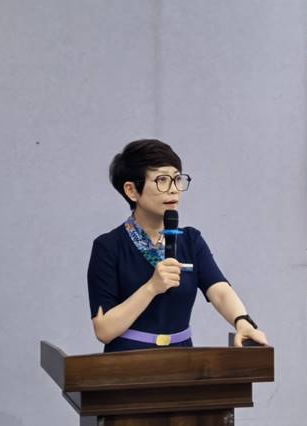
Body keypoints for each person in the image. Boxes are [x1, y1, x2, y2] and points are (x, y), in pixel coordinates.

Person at [87, 139, 268, 352]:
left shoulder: (190, 240)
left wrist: (243, 321)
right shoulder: (108, 247)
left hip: (182, 356)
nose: (173, 190)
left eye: (177, 179)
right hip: (128, 358)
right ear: (132, 190)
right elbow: (104, 330)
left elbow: (219, 290)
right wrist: (151, 287)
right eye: (162, 180)